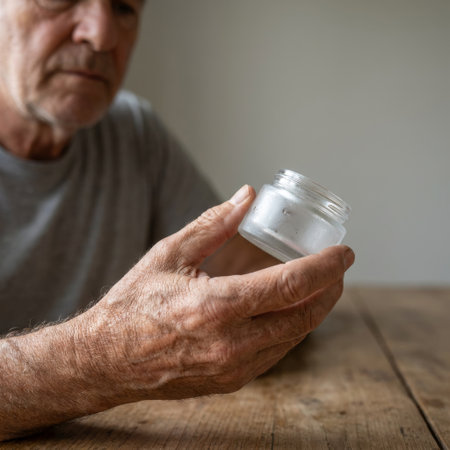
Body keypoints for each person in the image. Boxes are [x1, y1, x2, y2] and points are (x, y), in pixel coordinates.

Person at [0, 0, 355, 441]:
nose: (102, 34)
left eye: (125, 8)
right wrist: (107, 358)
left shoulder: (132, 131)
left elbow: (248, 283)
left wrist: (292, 282)